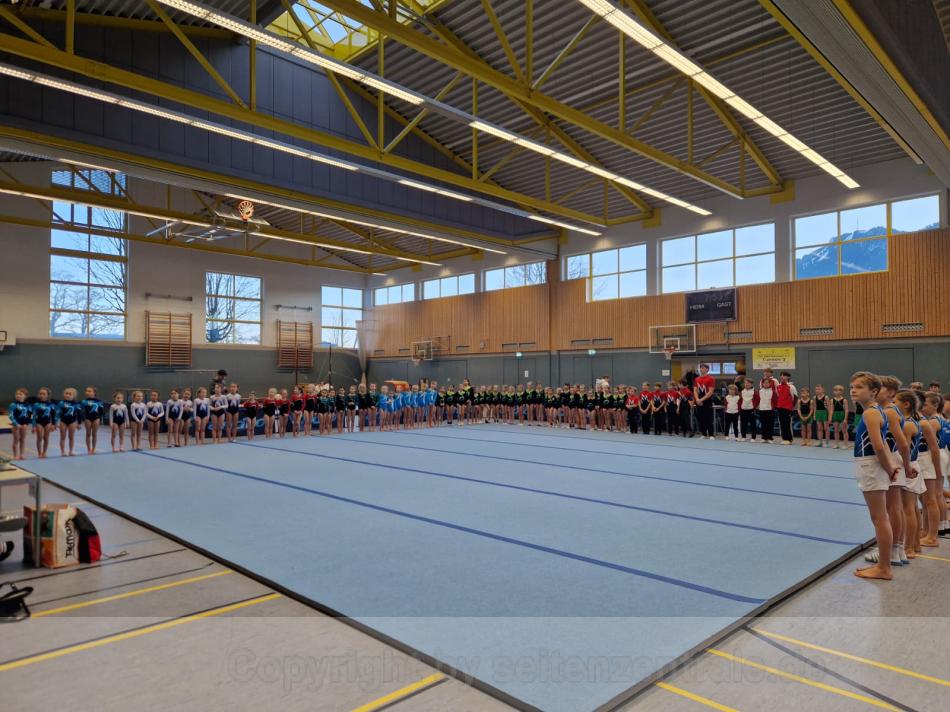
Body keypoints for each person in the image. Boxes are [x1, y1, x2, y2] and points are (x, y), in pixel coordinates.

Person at [850, 371, 899, 581]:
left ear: (874, 391)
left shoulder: (870, 413)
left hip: (870, 465)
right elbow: (884, 443)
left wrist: (889, 469)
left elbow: (879, 446)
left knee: (879, 518)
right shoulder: (877, 411)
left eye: (859, 387)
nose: (853, 390)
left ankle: (884, 568)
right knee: (880, 517)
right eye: (852, 387)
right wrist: (891, 467)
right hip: (873, 465)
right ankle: (883, 565)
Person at [57, 387, 82, 457]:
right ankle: (62, 451)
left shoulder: (76, 404)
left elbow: (79, 414)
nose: (67, 395)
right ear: (64, 394)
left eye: (70, 394)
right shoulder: (61, 403)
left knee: (71, 437)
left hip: (72, 422)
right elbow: (58, 413)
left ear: (74, 396)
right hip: (63, 421)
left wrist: (79, 423)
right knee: (62, 437)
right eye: (66, 393)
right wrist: (57, 422)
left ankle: (71, 451)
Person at [32, 387, 56, 458]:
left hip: (48, 422)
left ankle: (44, 452)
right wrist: (33, 426)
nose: (41, 395)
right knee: (39, 438)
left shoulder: (51, 405)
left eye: (44, 394)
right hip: (39, 422)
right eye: (40, 394)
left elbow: (53, 415)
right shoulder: (36, 405)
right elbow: (34, 416)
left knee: (46, 438)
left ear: (47, 395)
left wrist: (53, 424)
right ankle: (39, 453)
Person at [693, 364, 716, 439]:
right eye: (700, 368)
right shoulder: (696, 379)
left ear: (707, 369)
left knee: (708, 418)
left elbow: (710, 392)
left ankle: (711, 434)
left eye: (702, 368)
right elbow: (695, 390)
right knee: (701, 418)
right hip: (698, 400)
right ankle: (704, 434)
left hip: (707, 400)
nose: (701, 369)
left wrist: (701, 399)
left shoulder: (711, 379)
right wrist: (697, 399)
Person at [8, 388, 32, 460]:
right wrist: (15, 423)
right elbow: (11, 415)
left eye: (20, 394)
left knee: (22, 440)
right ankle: (15, 455)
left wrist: (26, 424)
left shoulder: (28, 405)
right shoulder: (13, 404)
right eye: (17, 394)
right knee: (16, 440)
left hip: (24, 424)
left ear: (25, 396)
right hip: (16, 424)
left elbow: (29, 415)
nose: (18, 395)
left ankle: (22, 454)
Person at [775, 372, 798, 445]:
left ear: (788, 377)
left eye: (784, 376)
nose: (782, 377)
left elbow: (795, 397)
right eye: (781, 375)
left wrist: (791, 406)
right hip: (780, 408)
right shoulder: (778, 386)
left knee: (787, 423)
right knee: (781, 423)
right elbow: (778, 396)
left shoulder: (791, 387)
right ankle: (784, 438)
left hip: (788, 408)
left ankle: (789, 439)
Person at [81, 386, 105, 455]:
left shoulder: (99, 401)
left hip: (96, 418)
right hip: (87, 418)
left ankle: (94, 449)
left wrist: (100, 418)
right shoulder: (84, 401)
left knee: (94, 434)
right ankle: (89, 449)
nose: (87, 392)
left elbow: (101, 411)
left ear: (94, 393)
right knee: (88, 433)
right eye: (86, 391)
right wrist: (83, 418)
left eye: (89, 391)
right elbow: (81, 411)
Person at [756, 374, 776, 443]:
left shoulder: (772, 391)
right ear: (762, 384)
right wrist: (757, 407)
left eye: (767, 382)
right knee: (763, 424)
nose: (766, 384)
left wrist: (773, 407)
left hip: (770, 410)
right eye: (764, 383)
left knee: (770, 424)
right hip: (762, 410)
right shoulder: (760, 391)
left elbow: (775, 400)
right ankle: (764, 437)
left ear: (770, 383)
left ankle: (770, 438)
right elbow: (758, 400)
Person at [830, 384, 850, 449]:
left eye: (839, 390)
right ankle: (836, 444)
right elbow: (831, 410)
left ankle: (846, 444)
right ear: (833, 391)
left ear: (842, 392)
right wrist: (830, 417)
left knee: (844, 431)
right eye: (835, 390)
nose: (837, 392)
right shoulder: (832, 400)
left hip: (842, 415)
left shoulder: (844, 400)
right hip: (835, 415)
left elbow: (846, 410)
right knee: (836, 430)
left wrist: (845, 419)